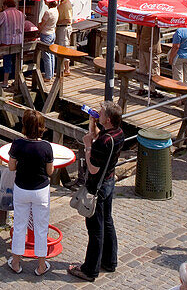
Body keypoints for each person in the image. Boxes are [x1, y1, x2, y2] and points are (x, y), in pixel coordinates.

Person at [68, 101, 125, 282]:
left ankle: (90, 270)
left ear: (107, 119)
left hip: (97, 186)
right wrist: (93, 123)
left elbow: (93, 168)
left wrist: (87, 146)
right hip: (109, 181)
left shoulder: (102, 141)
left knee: (95, 229)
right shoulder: (118, 133)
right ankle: (110, 261)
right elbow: (99, 137)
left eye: (100, 114)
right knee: (107, 221)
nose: (98, 114)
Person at [7, 109, 54, 276]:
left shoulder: (17, 144)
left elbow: (11, 167)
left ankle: (15, 262)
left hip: (21, 188)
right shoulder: (46, 147)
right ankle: (41, 265)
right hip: (40, 190)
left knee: (20, 225)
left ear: (24, 126)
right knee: (41, 227)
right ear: (41, 127)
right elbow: (50, 171)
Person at [0, 0, 25, 89]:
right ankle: (16, 80)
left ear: (5, 6)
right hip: (18, 42)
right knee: (16, 61)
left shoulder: (4, 13)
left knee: (7, 62)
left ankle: (5, 82)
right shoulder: (21, 14)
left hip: (7, 41)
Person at [38, 0, 59, 80]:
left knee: (46, 55)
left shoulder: (48, 12)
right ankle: (51, 73)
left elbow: (42, 24)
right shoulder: (56, 11)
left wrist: (38, 27)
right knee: (51, 54)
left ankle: (48, 76)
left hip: (46, 34)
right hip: (52, 33)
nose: (44, 1)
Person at [55, 0, 74, 76]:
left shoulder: (66, 4)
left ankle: (67, 69)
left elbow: (68, 20)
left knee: (64, 47)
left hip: (63, 28)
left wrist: (56, 22)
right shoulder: (62, 3)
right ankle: (62, 68)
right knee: (60, 47)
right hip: (61, 28)